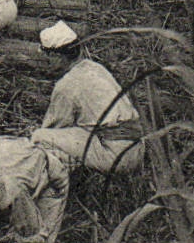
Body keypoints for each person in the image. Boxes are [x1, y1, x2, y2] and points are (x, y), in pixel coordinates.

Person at [30, 21, 143, 173]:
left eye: (47, 57)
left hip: (115, 155)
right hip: (136, 149)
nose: (46, 63)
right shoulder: (95, 68)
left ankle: (65, 177)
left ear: (57, 56)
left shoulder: (66, 84)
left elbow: (55, 126)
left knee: (40, 137)